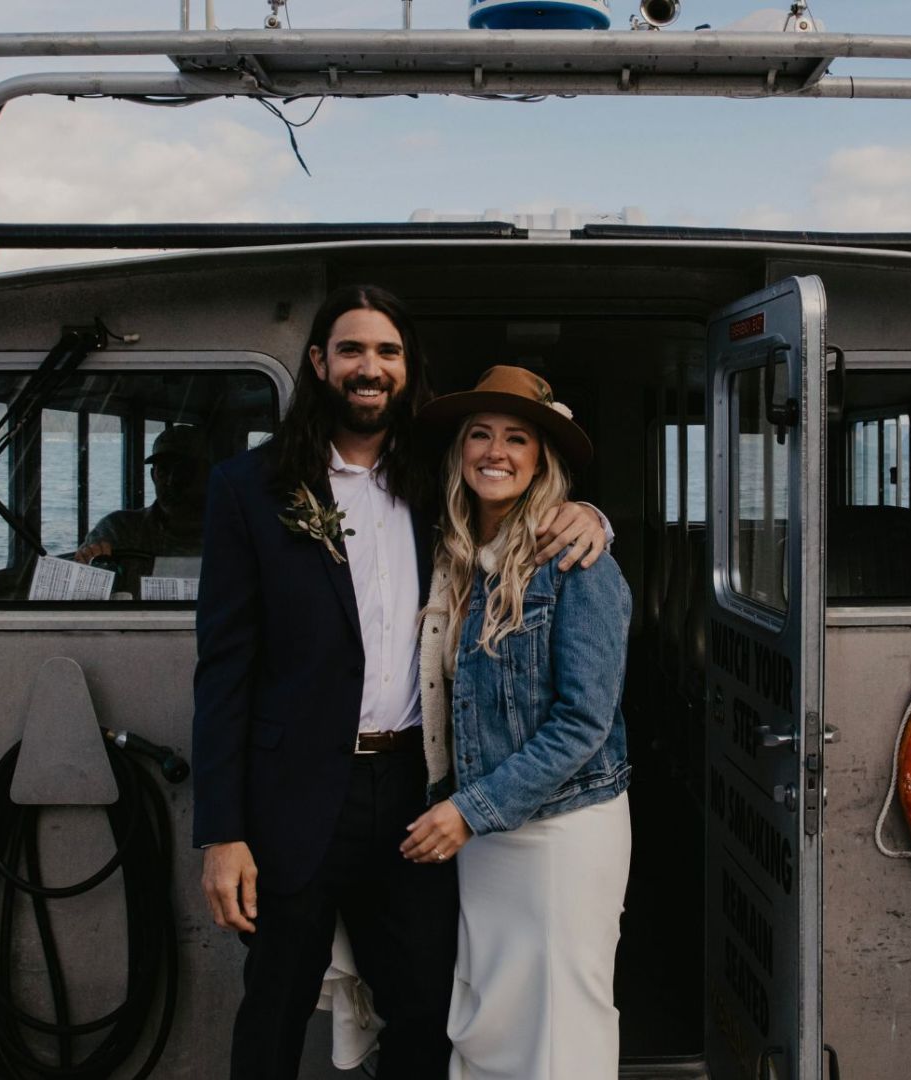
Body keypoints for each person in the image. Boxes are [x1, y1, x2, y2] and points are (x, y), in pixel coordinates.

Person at [191, 286, 609, 1080]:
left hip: (414, 787)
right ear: (320, 364)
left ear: (407, 371)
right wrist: (221, 831)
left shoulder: (436, 481)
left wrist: (592, 515)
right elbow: (223, 669)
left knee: (423, 1007)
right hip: (292, 794)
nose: (369, 368)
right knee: (275, 1003)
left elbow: (517, 500)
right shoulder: (248, 488)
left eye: (387, 353)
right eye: (351, 350)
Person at [402, 366, 632, 1080]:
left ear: (541, 461)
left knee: (564, 1021)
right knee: (491, 1013)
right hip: (484, 831)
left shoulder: (577, 560)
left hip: (561, 831)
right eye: (480, 435)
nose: (494, 452)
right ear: (459, 451)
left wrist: (469, 811)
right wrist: (470, 814)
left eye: (516, 439)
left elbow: (583, 724)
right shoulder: (450, 554)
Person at [75, 424, 208, 594]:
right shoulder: (118, 530)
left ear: (209, 474)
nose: (171, 481)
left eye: (184, 472)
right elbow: (82, 592)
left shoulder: (234, 534)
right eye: (163, 472)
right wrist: (86, 567)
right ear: (153, 476)